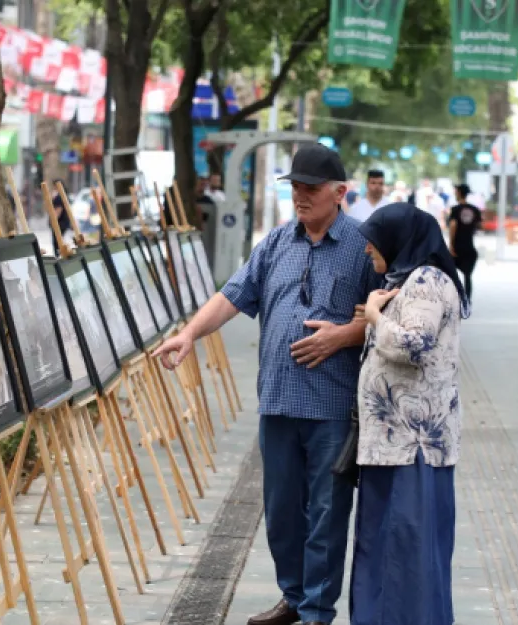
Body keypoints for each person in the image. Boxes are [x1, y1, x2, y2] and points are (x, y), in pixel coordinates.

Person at [154, 144, 380, 625]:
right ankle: (293, 599)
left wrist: (344, 335)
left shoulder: (363, 246)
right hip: (277, 402)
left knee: (325, 514)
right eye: (295, 186)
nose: (300, 195)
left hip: (331, 409)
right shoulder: (276, 243)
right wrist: (190, 333)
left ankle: (318, 611)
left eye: (311, 188)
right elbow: (232, 295)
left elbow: (389, 316)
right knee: (280, 514)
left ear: (339, 193)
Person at [350, 204, 468, 625]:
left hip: (410, 446)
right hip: (398, 444)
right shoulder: (411, 279)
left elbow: (413, 345)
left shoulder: (426, 281)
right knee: (395, 549)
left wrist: (374, 316)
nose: (366, 247)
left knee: (404, 552)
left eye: (374, 238)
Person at [446, 183, 481, 302]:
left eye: (456, 192)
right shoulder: (475, 210)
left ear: (459, 193)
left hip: (457, 247)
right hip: (470, 247)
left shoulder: (455, 209)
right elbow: (479, 226)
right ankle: (467, 300)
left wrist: (451, 245)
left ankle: (452, 298)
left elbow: (453, 225)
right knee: (467, 276)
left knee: (450, 275)